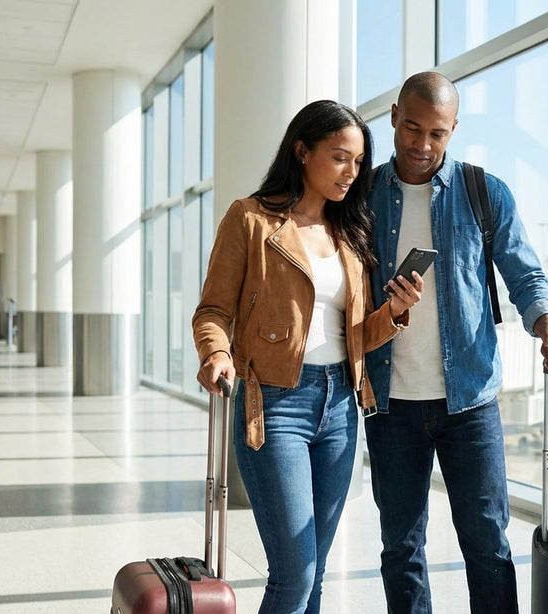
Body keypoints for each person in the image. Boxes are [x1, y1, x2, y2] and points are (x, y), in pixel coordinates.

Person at [192, 99, 424, 614]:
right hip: (274, 404)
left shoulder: (350, 230)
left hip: (341, 407)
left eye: (359, 161)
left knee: (314, 573)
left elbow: (358, 334)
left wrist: (397, 310)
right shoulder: (250, 219)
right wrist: (217, 353)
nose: (352, 171)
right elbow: (212, 310)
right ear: (302, 151)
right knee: (295, 572)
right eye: (340, 157)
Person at [364, 72, 548, 614]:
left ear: (453, 129)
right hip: (389, 405)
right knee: (401, 548)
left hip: (471, 404)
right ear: (393, 117)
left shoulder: (484, 192)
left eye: (437, 134)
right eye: (412, 128)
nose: (422, 144)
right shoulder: (361, 197)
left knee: (487, 545)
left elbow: (526, 275)